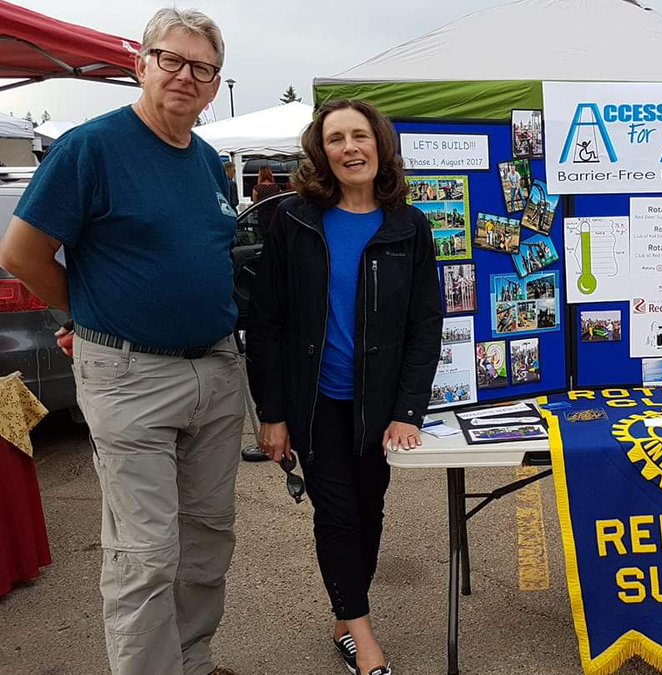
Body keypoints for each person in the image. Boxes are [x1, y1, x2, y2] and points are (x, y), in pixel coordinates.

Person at [0, 9, 243, 675]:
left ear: (215, 85)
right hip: (131, 374)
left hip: (216, 371)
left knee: (206, 539)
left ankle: (191, 659)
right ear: (142, 63)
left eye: (202, 68)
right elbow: (22, 253)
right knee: (145, 552)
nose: (185, 76)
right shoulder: (93, 147)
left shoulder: (207, 162)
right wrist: (88, 316)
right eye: (171, 59)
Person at [247, 99, 442, 675]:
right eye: (336, 139)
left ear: (380, 146)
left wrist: (408, 409)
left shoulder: (410, 226)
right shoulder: (295, 222)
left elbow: (424, 323)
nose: (349, 148)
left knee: (369, 509)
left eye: (360, 136)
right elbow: (267, 322)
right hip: (316, 402)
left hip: (378, 405)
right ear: (320, 151)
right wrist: (272, 412)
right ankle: (361, 632)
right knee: (335, 513)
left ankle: (343, 615)